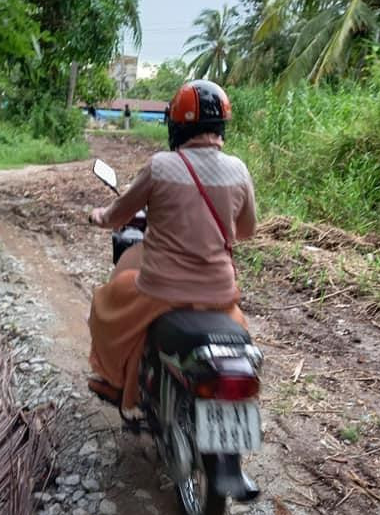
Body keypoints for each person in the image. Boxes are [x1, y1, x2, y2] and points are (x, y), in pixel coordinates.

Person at [87, 79, 256, 417]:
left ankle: (117, 382)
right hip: (219, 295)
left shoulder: (161, 166)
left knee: (105, 304)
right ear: (221, 126)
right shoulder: (239, 170)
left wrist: (98, 216)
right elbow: (247, 230)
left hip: (161, 290)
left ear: (177, 125)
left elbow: (118, 214)